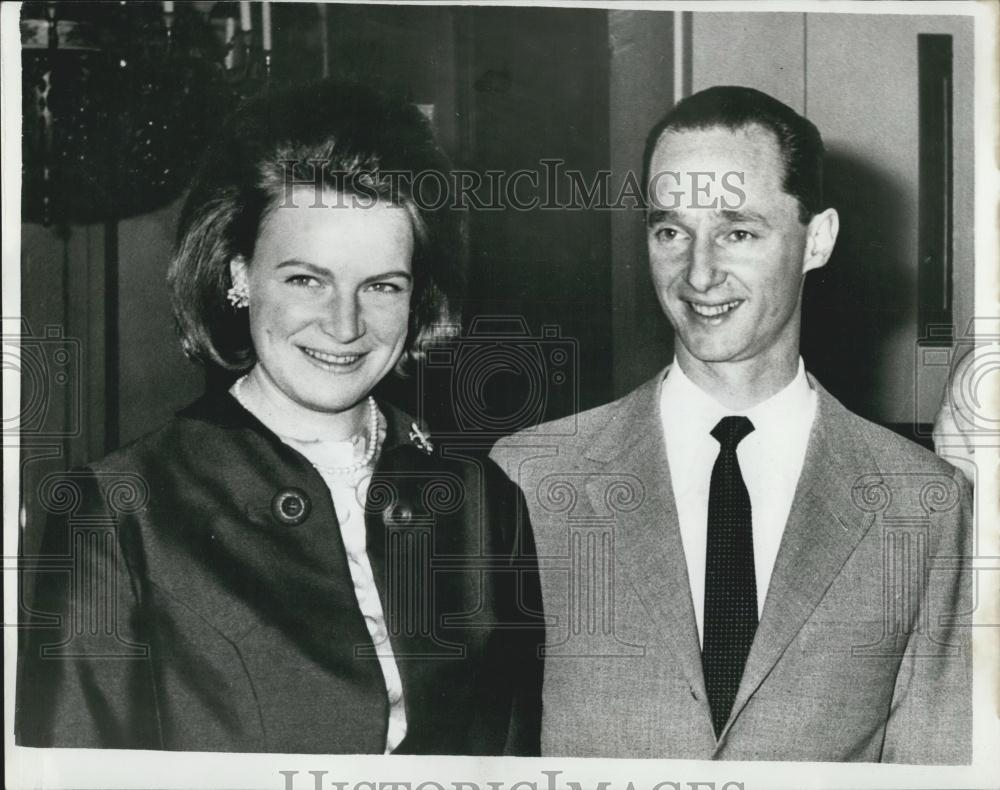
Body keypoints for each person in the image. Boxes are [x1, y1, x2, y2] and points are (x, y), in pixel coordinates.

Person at [17, 81, 543, 755]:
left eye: (381, 286)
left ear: (416, 299)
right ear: (239, 274)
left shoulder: (484, 504)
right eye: (306, 279)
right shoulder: (120, 511)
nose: (345, 325)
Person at [492, 86, 972, 763]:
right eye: (671, 232)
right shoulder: (528, 477)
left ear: (817, 240)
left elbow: (934, 765)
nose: (699, 273)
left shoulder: (924, 505)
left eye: (737, 232)